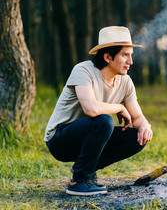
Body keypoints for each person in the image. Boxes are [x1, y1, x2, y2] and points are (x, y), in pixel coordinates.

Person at [44, 26, 153, 196]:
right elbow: (91, 108)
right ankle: (79, 181)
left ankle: (85, 170)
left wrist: (145, 126)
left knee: (136, 139)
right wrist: (119, 107)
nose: (130, 61)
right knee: (103, 121)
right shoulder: (83, 70)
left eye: (131, 56)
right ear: (107, 57)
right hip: (60, 139)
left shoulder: (125, 81)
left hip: (89, 137)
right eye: (125, 55)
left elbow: (137, 116)